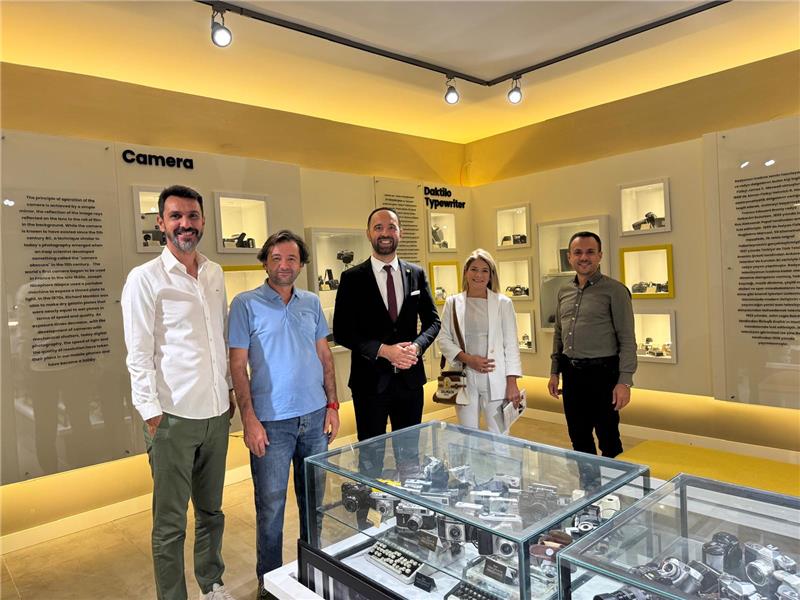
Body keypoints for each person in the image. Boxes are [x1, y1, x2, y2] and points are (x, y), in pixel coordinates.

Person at [121, 185, 236, 600]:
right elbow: (138, 354)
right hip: (172, 418)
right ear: (161, 223)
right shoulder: (145, 279)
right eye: (176, 216)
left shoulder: (214, 273)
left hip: (216, 414)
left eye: (192, 216)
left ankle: (212, 584)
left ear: (203, 221)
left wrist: (228, 390)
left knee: (212, 512)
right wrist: (151, 413)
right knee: (170, 524)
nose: (185, 224)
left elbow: (220, 338)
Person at [228, 230, 340, 597]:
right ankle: (270, 584)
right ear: (265, 262)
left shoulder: (311, 303)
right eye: (276, 258)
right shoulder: (245, 304)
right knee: (271, 509)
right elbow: (237, 366)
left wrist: (333, 405)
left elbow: (324, 356)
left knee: (313, 504)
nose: (284, 265)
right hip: (271, 424)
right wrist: (249, 420)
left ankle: (313, 574)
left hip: (315, 418)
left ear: (301, 264)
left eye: (291, 258)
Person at [333, 207, 440, 477]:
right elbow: (342, 331)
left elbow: (433, 322)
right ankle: (369, 505)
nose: (385, 233)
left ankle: (407, 503)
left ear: (400, 233)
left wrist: (416, 346)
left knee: (410, 458)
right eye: (378, 227)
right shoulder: (352, 278)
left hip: (409, 381)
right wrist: (383, 351)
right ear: (368, 233)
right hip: (370, 384)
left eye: (391, 227)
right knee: (370, 459)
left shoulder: (416, 273)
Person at [547, 231, 636, 461]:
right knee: (578, 437)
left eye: (590, 252)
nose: (583, 257)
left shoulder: (615, 291)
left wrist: (624, 381)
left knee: (608, 438)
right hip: (571, 375)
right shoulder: (564, 291)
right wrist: (555, 371)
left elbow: (627, 339)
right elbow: (559, 334)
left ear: (600, 256)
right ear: (569, 257)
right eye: (578, 252)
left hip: (603, 374)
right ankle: (589, 483)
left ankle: (616, 484)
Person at [438, 249, 522, 433]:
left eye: (485, 270)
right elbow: (443, 339)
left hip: (496, 377)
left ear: (491, 275)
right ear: (466, 272)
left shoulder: (503, 303)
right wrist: (468, 359)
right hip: (464, 377)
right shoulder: (453, 303)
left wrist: (512, 383)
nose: (479, 275)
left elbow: (511, 345)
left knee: (500, 437)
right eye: (474, 269)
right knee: (468, 435)